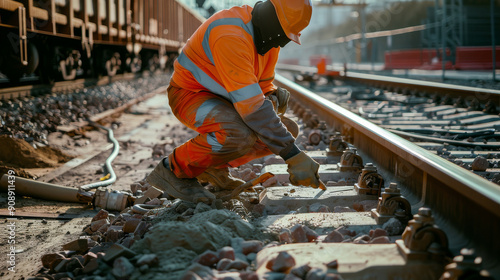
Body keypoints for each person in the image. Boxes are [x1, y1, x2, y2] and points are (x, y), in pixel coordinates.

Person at [147, 0, 322, 204]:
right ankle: (173, 170)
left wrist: (272, 94)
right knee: (240, 134)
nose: (282, 43)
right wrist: (293, 155)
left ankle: (212, 168)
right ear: (272, 20)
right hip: (189, 94)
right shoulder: (230, 34)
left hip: (224, 98)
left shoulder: (267, 40)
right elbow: (254, 109)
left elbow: (262, 86)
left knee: (287, 129)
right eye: (283, 35)